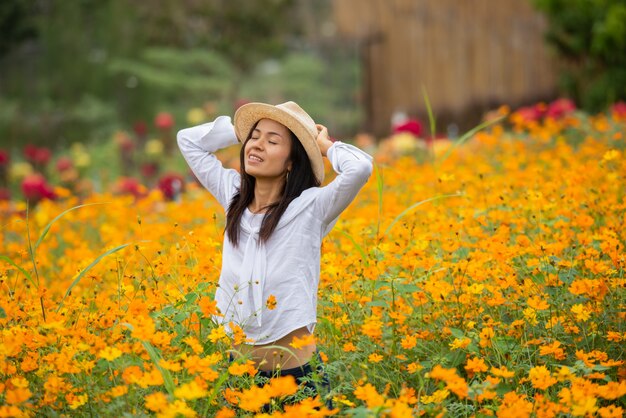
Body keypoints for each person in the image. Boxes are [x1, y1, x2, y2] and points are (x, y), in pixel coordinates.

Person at [176, 101, 372, 399]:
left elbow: (360, 168)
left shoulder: (311, 208)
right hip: (240, 378)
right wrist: (242, 130)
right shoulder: (232, 196)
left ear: (292, 161)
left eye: (272, 141)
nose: (257, 145)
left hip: (298, 379)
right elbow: (187, 140)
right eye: (254, 137)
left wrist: (322, 144)